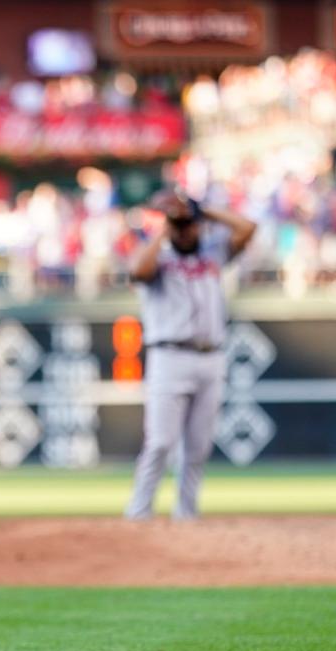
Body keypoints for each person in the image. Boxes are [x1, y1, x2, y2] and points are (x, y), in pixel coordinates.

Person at [123, 190, 256, 520]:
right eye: (179, 226)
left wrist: (202, 210)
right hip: (169, 356)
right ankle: (138, 513)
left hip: (210, 357)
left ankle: (186, 514)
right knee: (160, 442)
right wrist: (165, 230)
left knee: (198, 446)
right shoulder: (160, 257)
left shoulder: (212, 253)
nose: (185, 231)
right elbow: (138, 270)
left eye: (190, 225)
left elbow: (247, 228)